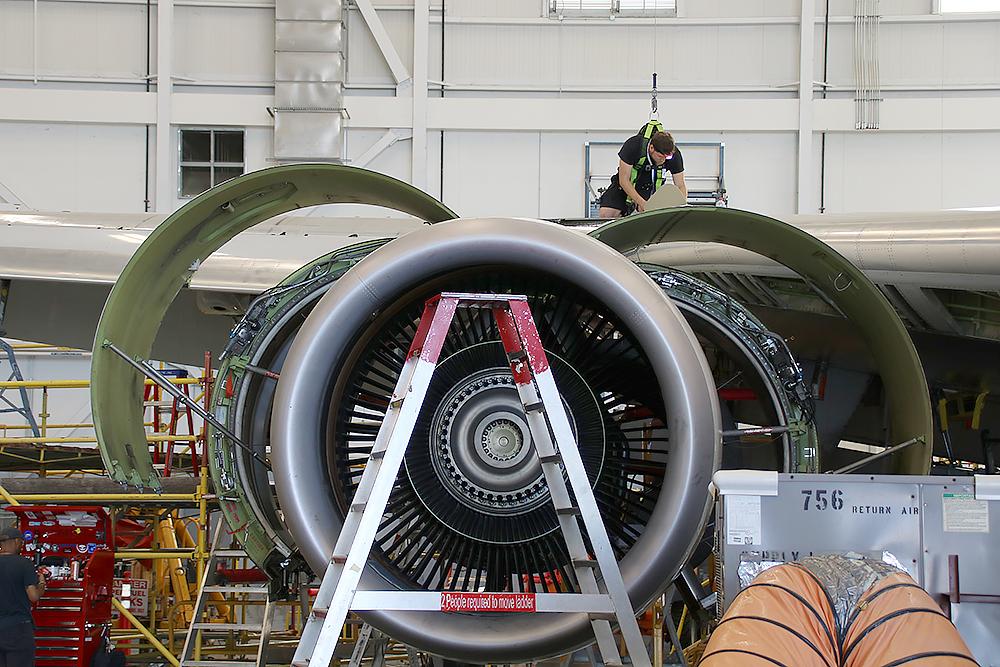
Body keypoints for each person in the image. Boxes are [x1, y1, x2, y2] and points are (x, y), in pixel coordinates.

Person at [598, 123, 687, 218]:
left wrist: (682, 207)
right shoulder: (633, 146)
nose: (663, 160)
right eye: (660, 156)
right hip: (626, 184)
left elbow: (680, 185)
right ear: (651, 148)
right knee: (607, 213)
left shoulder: (674, 155)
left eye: (667, 157)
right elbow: (623, 180)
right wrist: (642, 203)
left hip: (650, 186)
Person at [0, 526, 44, 667]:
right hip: (17, 630)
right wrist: (42, 583)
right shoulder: (24, 564)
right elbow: (33, 596)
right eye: (21, 543)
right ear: (17, 542)